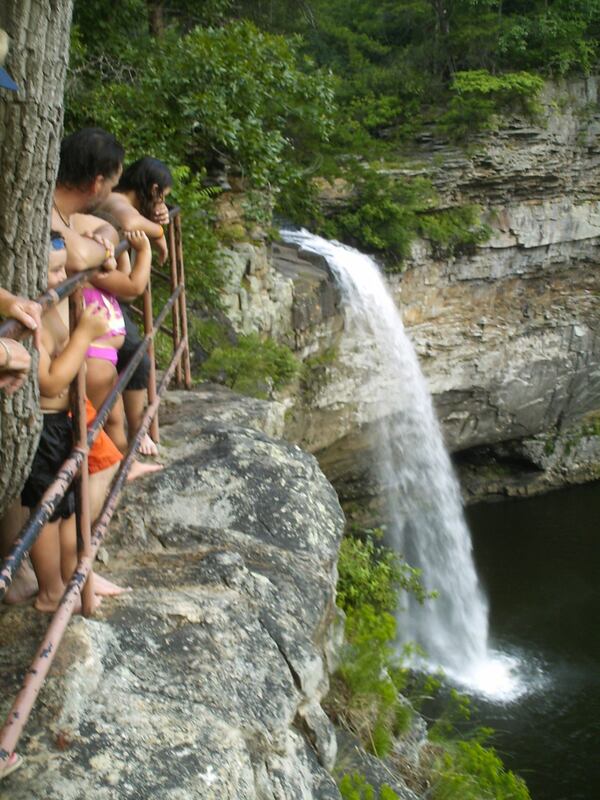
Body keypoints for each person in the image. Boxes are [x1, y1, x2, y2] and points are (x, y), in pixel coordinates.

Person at [21, 230, 113, 613]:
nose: (61, 280)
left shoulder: (51, 305)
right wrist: (86, 335)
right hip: (41, 427)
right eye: (52, 272)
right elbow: (51, 381)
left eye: (63, 271)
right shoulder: (32, 322)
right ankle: (49, 592)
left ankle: (63, 580)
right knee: (45, 507)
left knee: (64, 505)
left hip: (61, 423)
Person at [99, 157, 174, 456]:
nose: (163, 202)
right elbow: (130, 223)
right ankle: (137, 432)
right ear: (153, 189)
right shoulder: (117, 200)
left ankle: (136, 431)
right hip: (103, 295)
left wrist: (158, 221)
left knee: (136, 353)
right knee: (137, 356)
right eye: (163, 196)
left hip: (111, 290)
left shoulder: (122, 200)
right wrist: (158, 235)